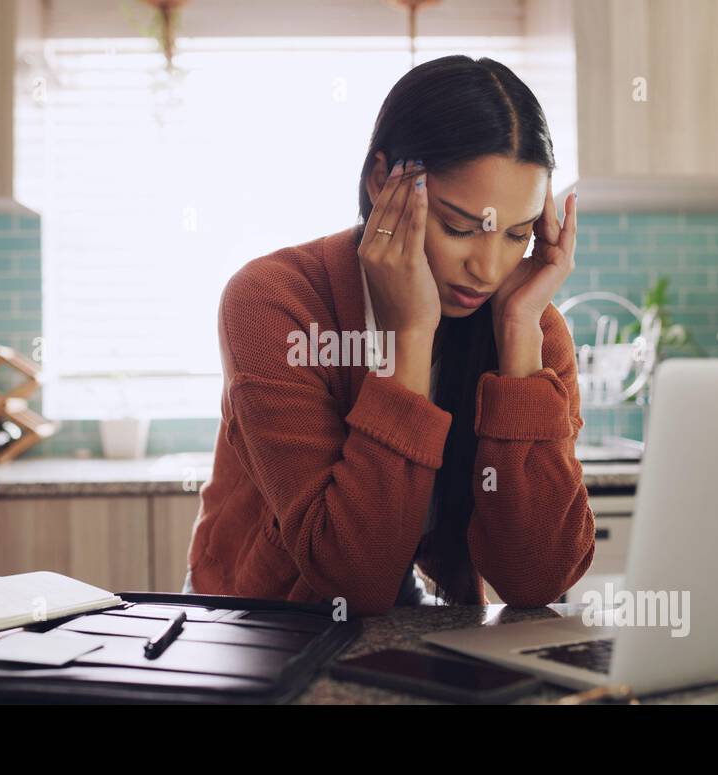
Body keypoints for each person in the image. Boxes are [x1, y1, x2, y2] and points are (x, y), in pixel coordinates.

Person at [183, 55, 595, 616]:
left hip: (404, 607)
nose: (489, 268)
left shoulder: (523, 313)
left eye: (516, 234)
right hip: (257, 618)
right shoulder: (273, 301)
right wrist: (412, 334)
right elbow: (351, 578)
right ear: (383, 181)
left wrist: (520, 334)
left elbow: (538, 578)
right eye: (458, 227)